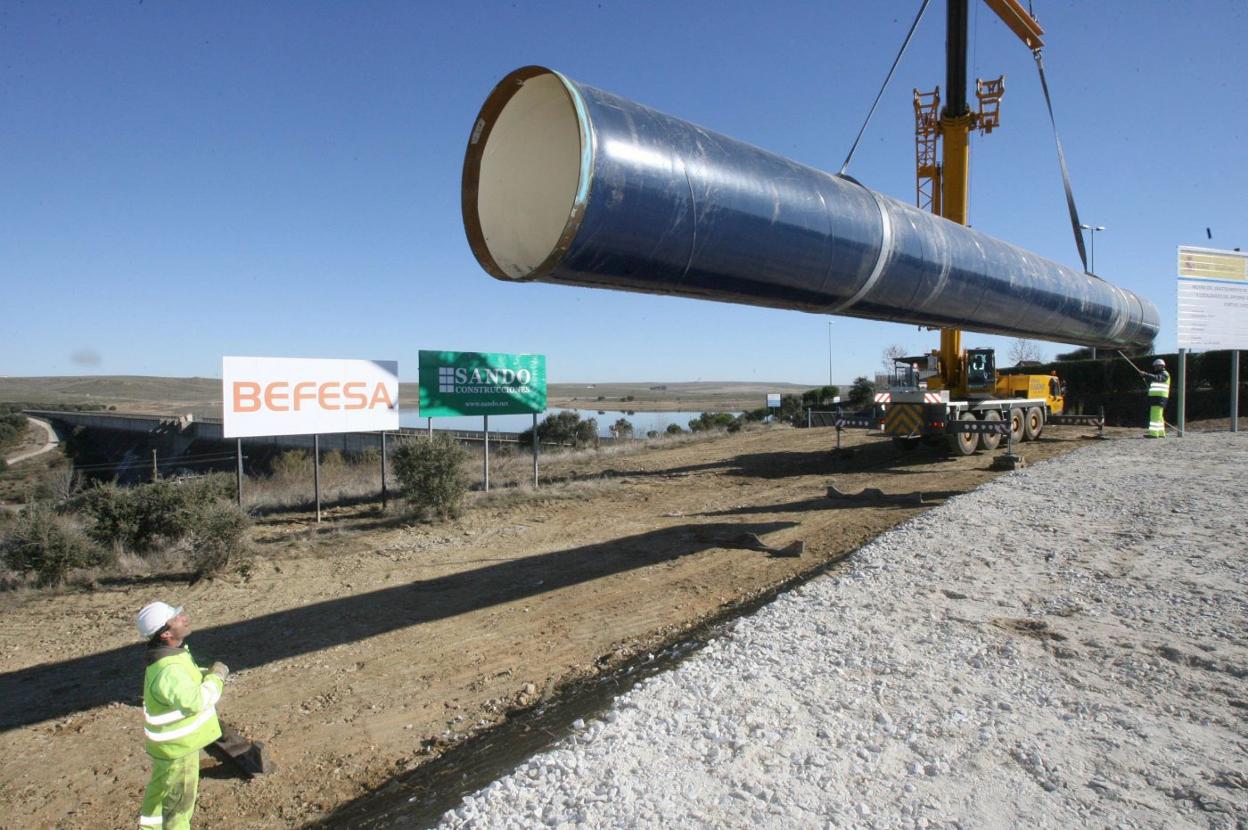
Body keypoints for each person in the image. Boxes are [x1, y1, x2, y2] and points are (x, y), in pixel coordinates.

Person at [136, 602, 229, 829]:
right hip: (180, 750)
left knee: (160, 797)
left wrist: (203, 673)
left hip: (168, 748)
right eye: (176, 618)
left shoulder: (172, 656)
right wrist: (216, 677)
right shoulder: (169, 670)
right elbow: (196, 701)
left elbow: (185, 683)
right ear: (166, 633)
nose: (184, 618)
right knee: (179, 806)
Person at [1143, 357, 1170, 438]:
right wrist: (1145, 376)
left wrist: (1146, 374)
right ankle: (1161, 433)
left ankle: (1154, 434)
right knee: (1159, 416)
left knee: (1154, 415)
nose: (1155, 368)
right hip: (1158, 397)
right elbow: (1153, 379)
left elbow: (1158, 378)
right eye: (1155, 366)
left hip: (1159, 397)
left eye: (1157, 366)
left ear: (1162, 366)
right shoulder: (1160, 374)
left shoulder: (1164, 374)